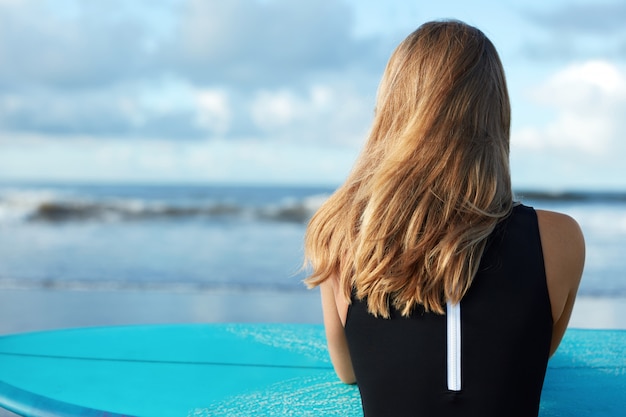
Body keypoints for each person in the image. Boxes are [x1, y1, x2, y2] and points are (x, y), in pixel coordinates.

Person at [303, 20, 584, 417]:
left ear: (392, 113)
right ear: (496, 116)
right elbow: (534, 354)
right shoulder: (560, 239)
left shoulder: (343, 234)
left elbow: (349, 369)